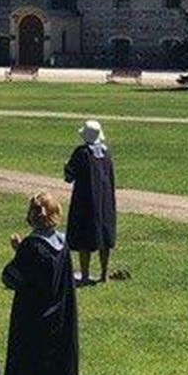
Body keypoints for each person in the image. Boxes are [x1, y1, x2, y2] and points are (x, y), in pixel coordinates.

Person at [1, 192, 79, 375]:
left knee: (36, 370)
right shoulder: (64, 242)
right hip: (62, 315)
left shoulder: (32, 246)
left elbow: (11, 278)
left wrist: (18, 250)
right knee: (57, 369)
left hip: (34, 316)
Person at [64, 120, 117, 284]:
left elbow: (69, 176)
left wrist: (66, 168)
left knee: (84, 238)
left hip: (85, 200)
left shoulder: (81, 153)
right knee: (104, 236)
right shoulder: (106, 153)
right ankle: (103, 274)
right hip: (105, 200)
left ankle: (85, 275)